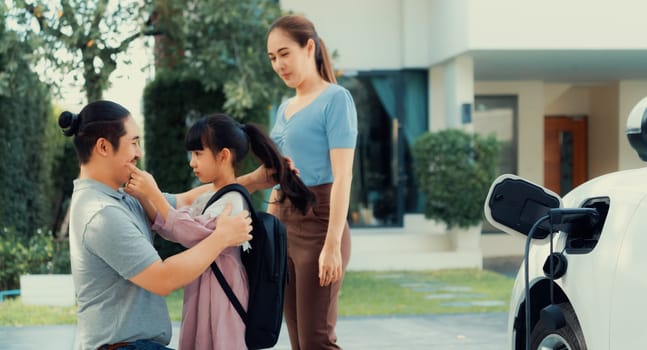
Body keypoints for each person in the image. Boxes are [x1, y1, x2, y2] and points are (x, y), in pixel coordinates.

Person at [59, 100, 254, 350]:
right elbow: (163, 279)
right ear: (104, 147)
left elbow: (182, 202)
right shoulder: (102, 213)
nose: (139, 152)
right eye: (134, 142)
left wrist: (250, 181)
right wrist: (221, 238)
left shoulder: (123, 195)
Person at [125, 113, 314, 350]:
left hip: (223, 299)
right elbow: (174, 227)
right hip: (209, 294)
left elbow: (188, 233)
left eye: (198, 154)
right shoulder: (210, 197)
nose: (192, 162)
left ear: (223, 155)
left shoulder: (233, 201)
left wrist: (152, 194)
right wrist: (144, 198)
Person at [266, 14, 359, 350]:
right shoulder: (283, 108)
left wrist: (332, 244)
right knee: (298, 342)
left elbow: (343, 175)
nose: (279, 64)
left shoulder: (336, 100)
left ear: (309, 48)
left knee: (316, 340)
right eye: (273, 58)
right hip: (284, 226)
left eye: (284, 53)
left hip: (320, 225)